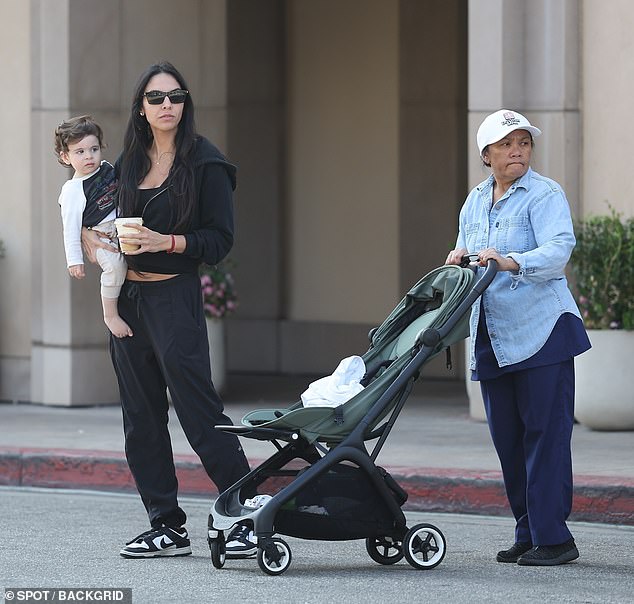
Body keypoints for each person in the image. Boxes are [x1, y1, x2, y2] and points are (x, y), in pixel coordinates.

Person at [81, 61, 255, 559]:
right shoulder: (127, 164)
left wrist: (167, 240)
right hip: (129, 301)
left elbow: (219, 240)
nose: (167, 106)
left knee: (199, 411)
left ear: (185, 103)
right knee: (140, 417)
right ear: (141, 107)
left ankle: (241, 515)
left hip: (174, 297)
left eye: (175, 97)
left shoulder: (206, 162)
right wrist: (95, 242)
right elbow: (97, 220)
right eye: (156, 98)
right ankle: (166, 524)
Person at [446, 109, 591, 566]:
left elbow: (557, 251)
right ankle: (528, 532)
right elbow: (468, 250)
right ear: (486, 154)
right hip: (491, 333)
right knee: (509, 441)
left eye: (524, 143)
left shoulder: (545, 194)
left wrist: (510, 261)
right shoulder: (474, 201)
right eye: (508, 144)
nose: (518, 152)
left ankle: (555, 539)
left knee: (544, 437)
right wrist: (457, 259)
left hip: (542, 331)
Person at [54, 116, 131, 338]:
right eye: (80, 152)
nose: (89, 156)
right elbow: (70, 228)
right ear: (65, 156)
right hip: (101, 239)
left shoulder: (107, 169)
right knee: (116, 267)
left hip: (119, 232)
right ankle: (110, 315)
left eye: (94, 149)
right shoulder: (72, 191)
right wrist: (74, 260)